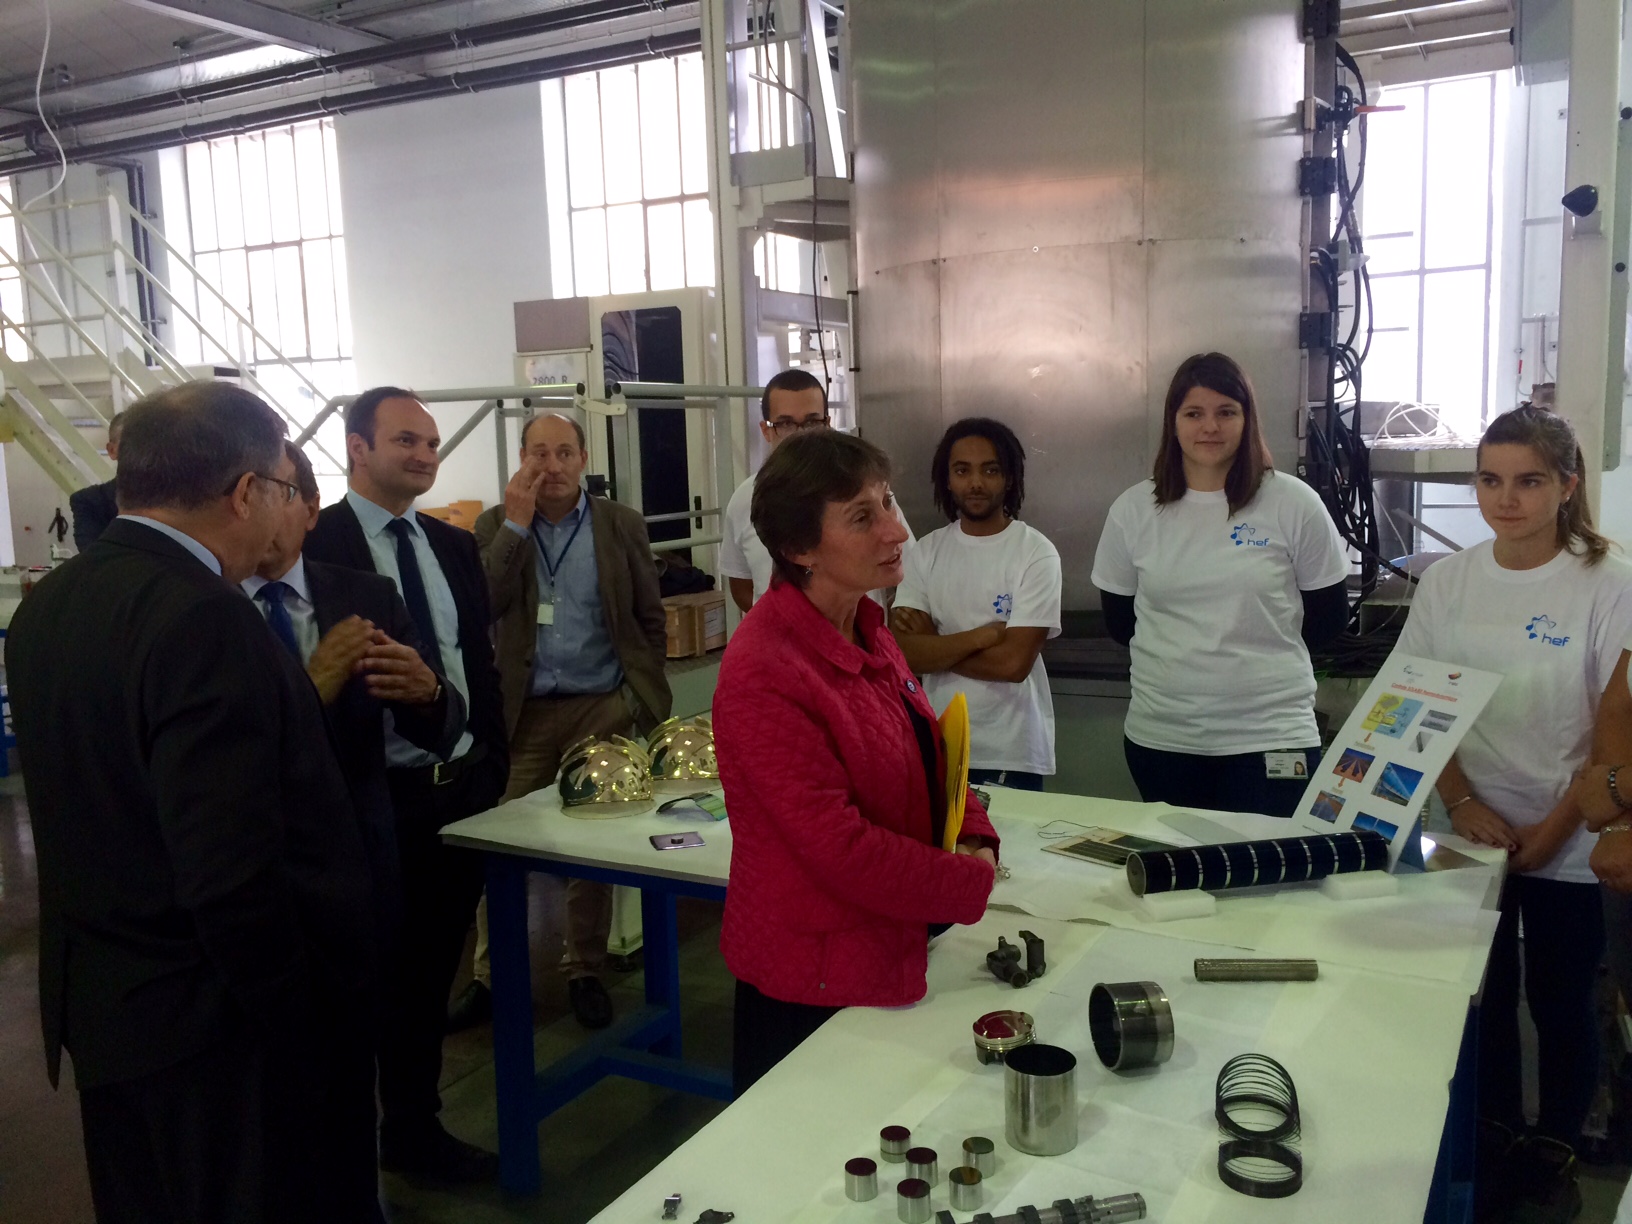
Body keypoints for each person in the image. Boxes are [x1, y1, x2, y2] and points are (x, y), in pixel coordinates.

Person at [7, 382, 379, 1220]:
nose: (283, 513)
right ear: (245, 491)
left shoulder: (51, 605)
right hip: (215, 1032)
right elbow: (230, 869)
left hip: (111, 1014)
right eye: (282, 489)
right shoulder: (205, 618)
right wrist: (298, 1020)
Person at [713, 429, 1001, 1094]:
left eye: (888, 502)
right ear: (800, 549)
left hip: (883, 948)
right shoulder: (765, 668)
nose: (896, 531)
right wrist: (964, 883)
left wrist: (975, 831)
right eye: (863, 517)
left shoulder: (868, 629)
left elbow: (932, 753)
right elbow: (837, 847)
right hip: (810, 983)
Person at [1397, 405, 1632, 1215]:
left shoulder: (1609, 583)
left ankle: (1554, 1147)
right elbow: (1415, 702)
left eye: (1529, 481)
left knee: (1559, 999)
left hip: (1569, 834)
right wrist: (1460, 801)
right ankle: (1493, 1132)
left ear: (1567, 485)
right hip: (1467, 828)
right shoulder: (1449, 582)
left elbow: (1614, 728)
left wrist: (1553, 831)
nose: (1507, 499)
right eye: (1490, 480)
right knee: (1480, 992)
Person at [303, 386, 510, 1184]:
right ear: (357, 448)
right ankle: (344, 1148)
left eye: (431, 442)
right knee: (366, 978)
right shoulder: (315, 544)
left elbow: (476, 662)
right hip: (373, 798)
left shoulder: (451, 544)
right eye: (405, 441)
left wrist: (486, 759)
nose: (425, 455)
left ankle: (414, 1129)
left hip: (454, 789)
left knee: (429, 975)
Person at [466, 412, 672, 1031]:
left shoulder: (619, 524)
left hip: (600, 703)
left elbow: (649, 617)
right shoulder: (493, 525)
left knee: (593, 841)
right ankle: (491, 977)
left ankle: (584, 968)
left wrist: (633, 698)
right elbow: (483, 602)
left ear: (584, 459)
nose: (551, 466)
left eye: (563, 453)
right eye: (538, 453)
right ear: (521, 459)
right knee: (498, 840)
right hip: (522, 711)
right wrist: (515, 525)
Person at [1091, 352, 1349, 815]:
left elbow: (1328, 617)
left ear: (1247, 420)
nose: (1210, 427)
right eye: (1194, 413)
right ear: (1173, 422)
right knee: (1180, 860)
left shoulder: (1293, 503)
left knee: (1268, 860)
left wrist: (1252, 659)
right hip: (1164, 738)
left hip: (1272, 735)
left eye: (1226, 412)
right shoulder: (1134, 510)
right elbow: (1120, 622)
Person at [245, 439, 466, 949]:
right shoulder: (205, 610)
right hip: (255, 864)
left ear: (311, 510)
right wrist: (313, 686)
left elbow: (442, 726)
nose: (258, 513)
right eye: (247, 495)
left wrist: (428, 692)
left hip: (361, 855)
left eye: (276, 494)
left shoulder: (366, 596)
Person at [891, 418, 1062, 791]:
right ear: (947, 480)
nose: (976, 483)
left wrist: (936, 644)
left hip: (1010, 752)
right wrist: (981, 637)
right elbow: (903, 655)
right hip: (939, 746)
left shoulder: (1036, 553)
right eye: (962, 470)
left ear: (1009, 478)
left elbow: (1013, 664)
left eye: (990, 470)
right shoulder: (925, 552)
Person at [719, 368, 913, 612]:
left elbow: (909, 567)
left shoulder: (865, 490)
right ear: (766, 430)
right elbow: (740, 585)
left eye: (812, 422)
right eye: (786, 424)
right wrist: (777, 618)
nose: (802, 434)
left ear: (827, 424)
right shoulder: (743, 501)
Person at [68, 410, 125, 551]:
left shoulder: (175, 498)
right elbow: (94, 555)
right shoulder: (89, 502)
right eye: (132, 444)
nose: (143, 452)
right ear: (112, 450)